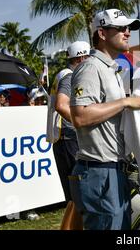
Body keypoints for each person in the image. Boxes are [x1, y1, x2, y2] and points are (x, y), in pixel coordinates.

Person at [70, 8, 140, 230]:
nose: (127, 32)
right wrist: (125, 103)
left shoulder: (111, 69)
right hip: (98, 171)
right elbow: (80, 116)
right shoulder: (90, 67)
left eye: (128, 28)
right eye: (121, 28)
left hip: (112, 169)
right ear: (102, 34)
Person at [53, 41, 90, 202]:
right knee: (77, 197)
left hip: (64, 139)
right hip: (68, 139)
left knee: (73, 198)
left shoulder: (63, 74)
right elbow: (61, 105)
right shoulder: (69, 76)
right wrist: (80, 123)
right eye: (88, 58)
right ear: (81, 58)